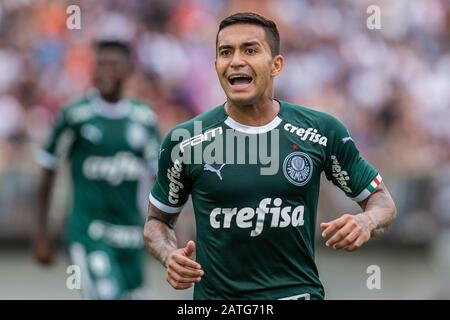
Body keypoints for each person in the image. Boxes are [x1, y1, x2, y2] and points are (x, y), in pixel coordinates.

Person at [143, 12, 396, 300]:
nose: (236, 60)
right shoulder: (185, 140)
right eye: (226, 52)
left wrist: (366, 221)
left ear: (276, 64)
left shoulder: (321, 131)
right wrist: (168, 255)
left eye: (250, 50)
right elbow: (157, 222)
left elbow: (382, 202)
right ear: (216, 66)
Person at [33, 40, 160, 299]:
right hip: (89, 232)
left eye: (113, 65)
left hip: (130, 236)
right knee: (105, 294)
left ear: (129, 69)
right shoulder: (75, 115)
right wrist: (42, 233)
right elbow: (48, 170)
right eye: (100, 64)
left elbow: (159, 178)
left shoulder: (144, 118)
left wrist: (167, 227)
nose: (105, 71)